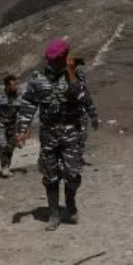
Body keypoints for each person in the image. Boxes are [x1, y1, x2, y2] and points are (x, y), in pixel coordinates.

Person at [17, 39, 93, 231]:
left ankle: (70, 197)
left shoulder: (76, 75)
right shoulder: (38, 79)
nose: (54, 64)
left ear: (66, 58)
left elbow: (83, 97)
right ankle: (54, 214)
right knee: (50, 176)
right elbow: (28, 104)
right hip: (49, 134)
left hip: (71, 133)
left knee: (73, 174)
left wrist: (71, 72)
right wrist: (22, 128)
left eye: (58, 60)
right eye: (51, 60)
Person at [0, 74, 22, 178]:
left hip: (13, 125)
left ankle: (7, 165)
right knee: (2, 146)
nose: (16, 87)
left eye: (16, 84)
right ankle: (4, 168)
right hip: (1, 124)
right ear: (7, 86)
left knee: (10, 147)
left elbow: (22, 111)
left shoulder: (19, 95)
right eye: (13, 85)